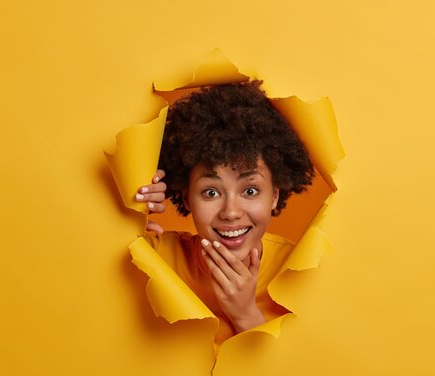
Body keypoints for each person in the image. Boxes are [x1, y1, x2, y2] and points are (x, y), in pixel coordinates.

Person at [135, 80, 315, 345]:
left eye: (250, 191)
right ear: (186, 198)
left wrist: (246, 314)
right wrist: (128, 219)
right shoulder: (156, 257)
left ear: (274, 195)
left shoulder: (300, 270)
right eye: (211, 192)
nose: (231, 212)